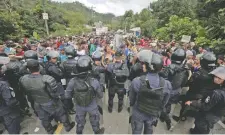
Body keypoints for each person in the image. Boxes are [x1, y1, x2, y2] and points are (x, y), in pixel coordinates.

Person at [19, 60, 75, 134]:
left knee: (44, 118)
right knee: (62, 113)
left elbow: (24, 88)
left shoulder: (24, 79)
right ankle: (68, 127)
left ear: (28, 68)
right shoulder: (46, 78)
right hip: (49, 101)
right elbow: (54, 93)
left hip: (37, 101)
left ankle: (50, 131)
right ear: (39, 67)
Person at [129, 51, 171, 134]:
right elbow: (164, 102)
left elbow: (132, 99)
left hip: (138, 111)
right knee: (149, 131)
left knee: (136, 131)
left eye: (145, 64)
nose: (143, 65)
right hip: (153, 114)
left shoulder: (137, 81)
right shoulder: (167, 84)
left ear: (149, 66)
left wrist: (133, 105)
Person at [65, 55, 105, 134]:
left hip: (79, 105)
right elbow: (100, 95)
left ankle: (79, 132)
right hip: (92, 105)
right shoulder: (94, 81)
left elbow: (67, 95)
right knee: (94, 119)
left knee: (80, 121)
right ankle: (97, 131)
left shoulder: (72, 81)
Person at [186, 66, 225, 134]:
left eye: (219, 78)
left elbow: (205, 107)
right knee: (198, 122)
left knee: (202, 125)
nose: (216, 79)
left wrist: (192, 102)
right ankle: (195, 131)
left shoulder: (217, 93)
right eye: (216, 76)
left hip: (211, 113)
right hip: (216, 112)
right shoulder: (219, 87)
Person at [159, 48, 189, 130]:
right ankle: (163, 116)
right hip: (177, 90)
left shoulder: (169, 67)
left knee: (161, 106)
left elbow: (162, 77)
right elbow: (184, 82)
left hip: (167, 89)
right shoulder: (185, 70)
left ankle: (168, 121)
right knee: (168, 104)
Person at [0, 58, 21, 134]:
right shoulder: (3, 84)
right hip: (6, 109)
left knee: (6, 123)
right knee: (12, 125)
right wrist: (17, 102)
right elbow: (9, 101)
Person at [61, 46, 77, 114]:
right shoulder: (77, 61)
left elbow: (62, 73)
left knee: (69, 95)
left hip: (68, 80)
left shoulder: (63, 62)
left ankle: (70, 108)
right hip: (76, 80)